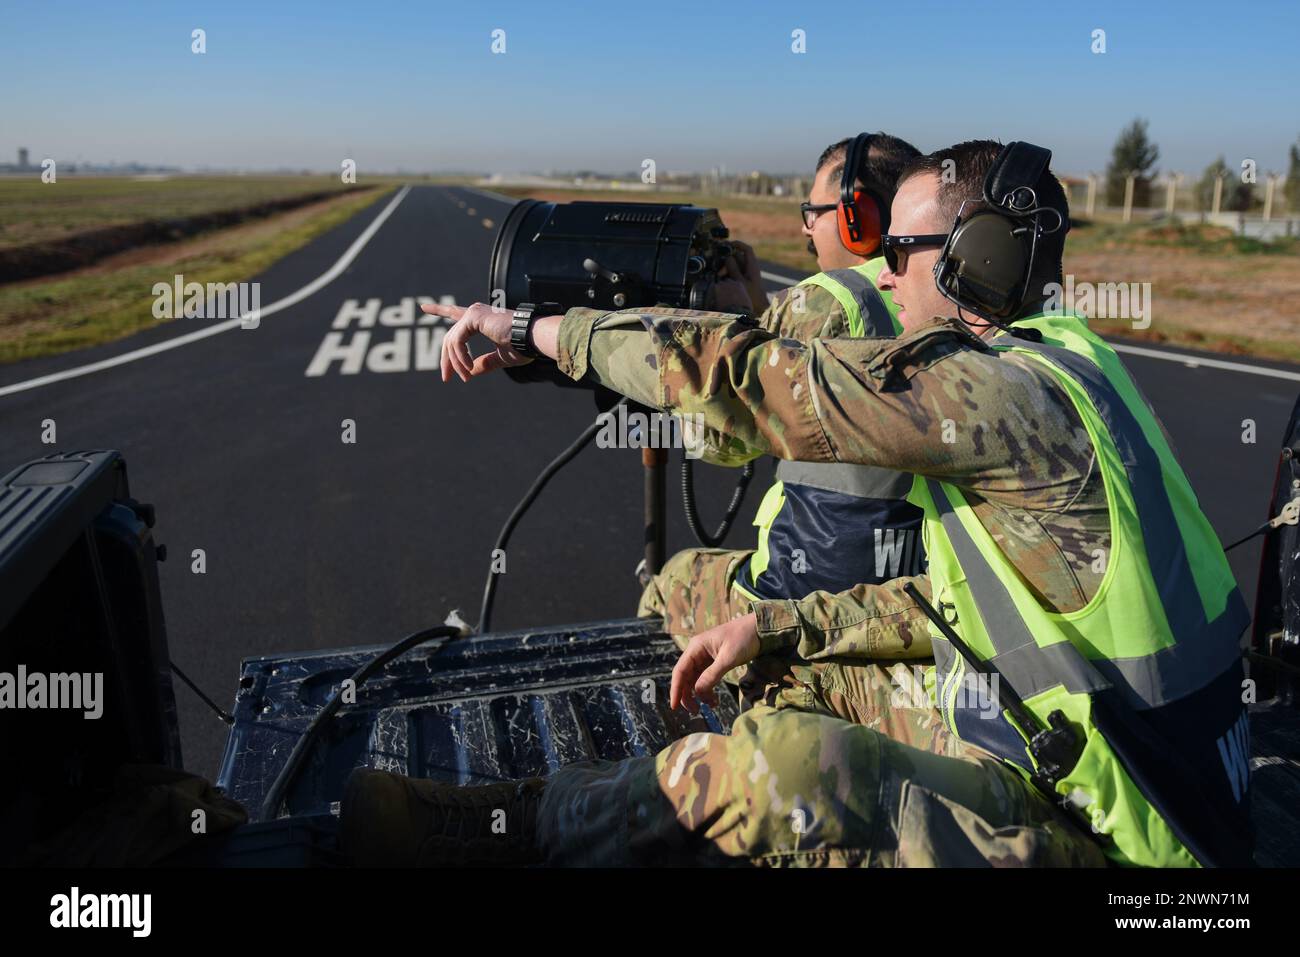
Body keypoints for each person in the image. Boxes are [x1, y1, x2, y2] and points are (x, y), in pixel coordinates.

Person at [341, 140, 1252, 868]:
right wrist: (775, 628)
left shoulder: (997, 399)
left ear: (978, 261)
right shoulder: (1067, 363)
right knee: (783, 676)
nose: (886, 278)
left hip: (1125, 842)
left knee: (782, 764)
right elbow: (954, 604)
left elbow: (741, 383)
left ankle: (520, 829)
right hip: (1064, 743)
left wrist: (535, 332)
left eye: (900, 252)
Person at [637, 132, 937, 726]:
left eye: (814, 214)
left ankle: (673, 714)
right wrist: (759, 313)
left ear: (858, 218)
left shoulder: (821, 300)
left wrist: (721, 326)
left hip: (816, 589)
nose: (805, 231)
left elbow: (719, 440)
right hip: (920, 589)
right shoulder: (942, 289)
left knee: (673, 577)